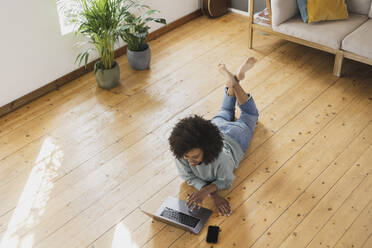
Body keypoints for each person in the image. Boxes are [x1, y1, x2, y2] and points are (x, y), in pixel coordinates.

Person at [168, 57, 259, 216]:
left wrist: (206, 191)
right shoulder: (183, 151)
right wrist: (211, 193)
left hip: (236, 137)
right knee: (225, 111)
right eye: (187, 157)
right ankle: (234, 80)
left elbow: (226, 180)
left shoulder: (221, 158)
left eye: (195, 156)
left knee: (250, 115)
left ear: (206, 147)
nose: (190, 161)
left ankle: (235, 81)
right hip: (215, 128)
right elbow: (188, 177)